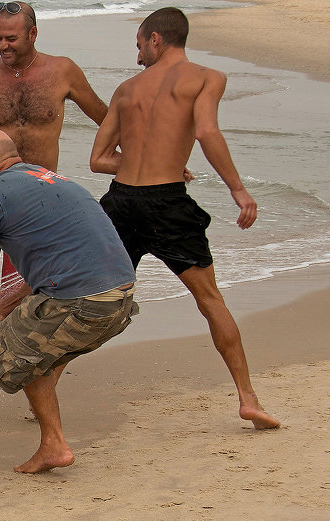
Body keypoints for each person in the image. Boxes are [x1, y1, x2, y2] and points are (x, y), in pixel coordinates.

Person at [89, 7, 279, 429]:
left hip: (120, 203)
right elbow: (206, 131)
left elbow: (99, 160)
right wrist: (238, 189)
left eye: (139, 46)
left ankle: (42, 383)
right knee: (210, 300)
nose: (137, 57)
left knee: (90, 299)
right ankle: (248, 399)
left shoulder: (124, 90)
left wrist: (142, 158)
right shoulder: (207, 77)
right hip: (167, 204)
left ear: (156, 39)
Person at [0, 129, 138, 475]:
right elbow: (56, 266)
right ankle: (53, 446)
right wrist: (2, 308)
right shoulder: (53, 179)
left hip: (82, 303)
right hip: (119, 300)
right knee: (33, 350)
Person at [0, 1, 109, 293]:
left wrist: (143, 155)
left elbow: (105, 119)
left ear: (33, 34)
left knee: (23, 283)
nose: (2, 46)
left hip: (37, 193)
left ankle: (4, 336)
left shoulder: (63, 71)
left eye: (11, 39)